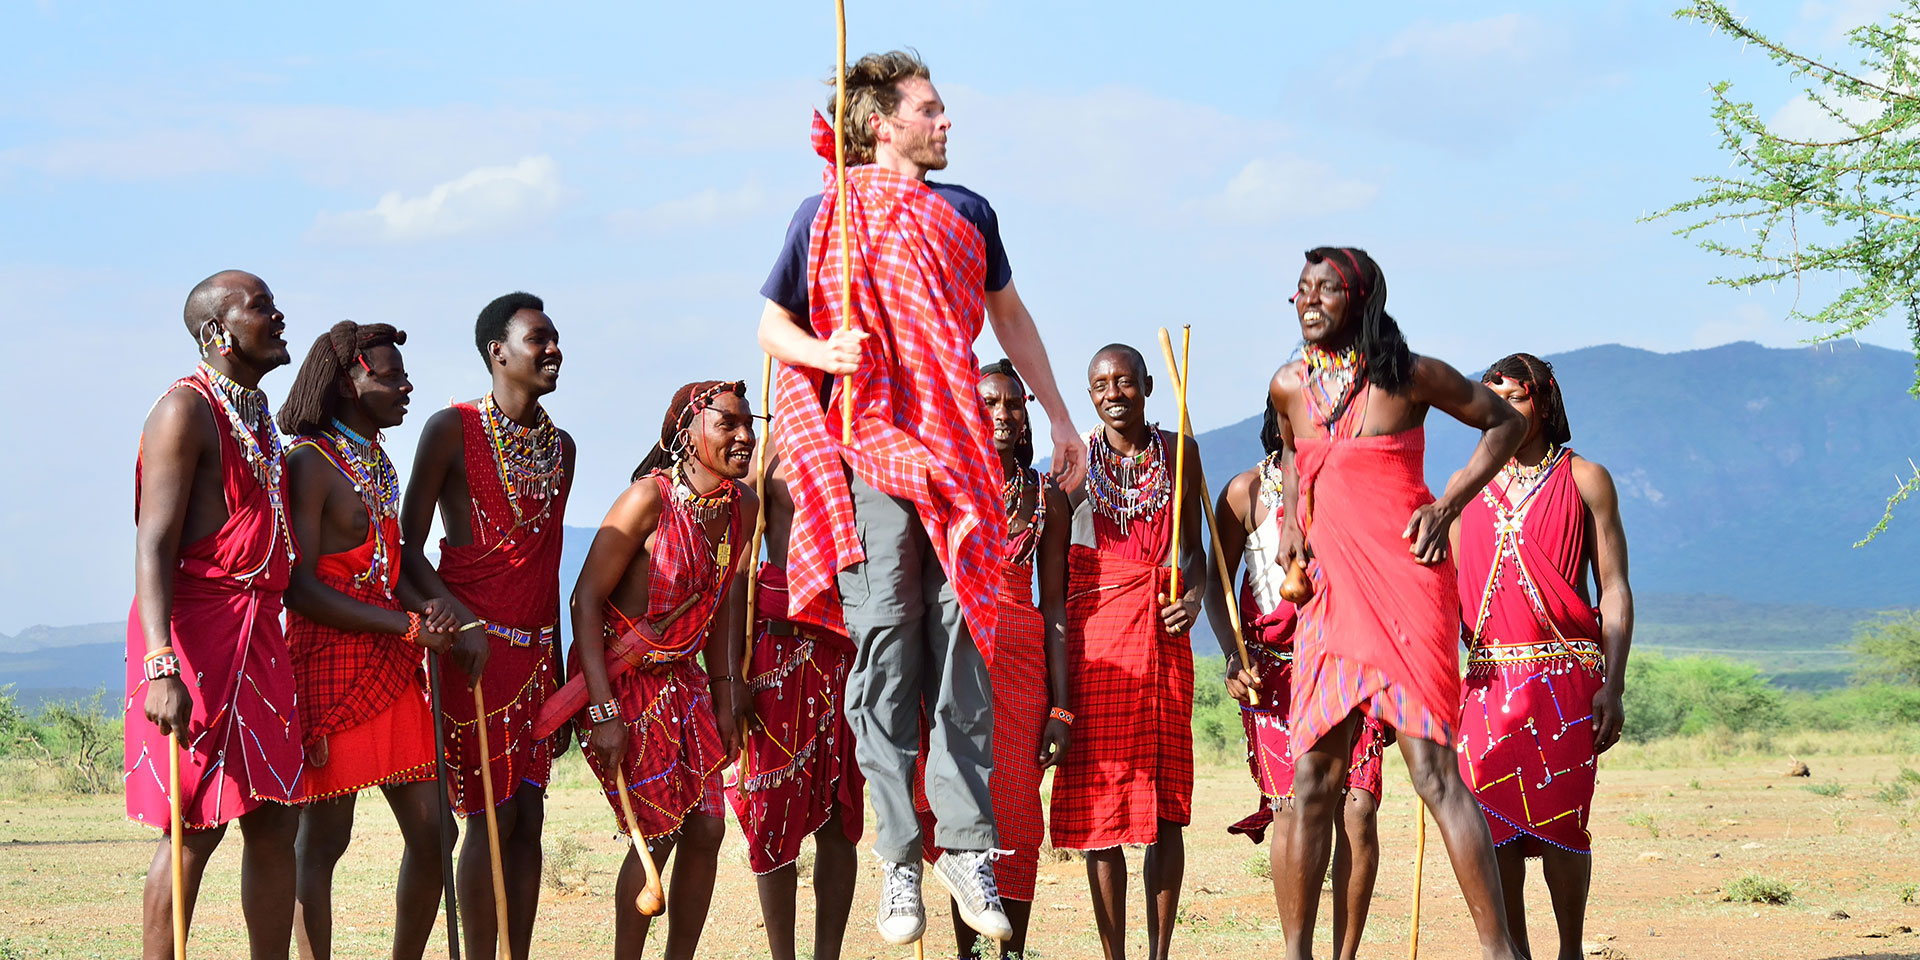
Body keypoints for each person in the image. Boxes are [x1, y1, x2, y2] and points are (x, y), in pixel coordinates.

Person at [754, 49, 1088, 946]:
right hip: (872, 449)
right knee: (888, 644)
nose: (946, 122)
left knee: (967, 641)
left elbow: (1009, 318)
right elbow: (772, 324)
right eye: (930, 109)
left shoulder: (967, 211)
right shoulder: (827, 212)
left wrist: (1060, 415)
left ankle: (966, 846)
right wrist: (826, 353)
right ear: (882, 124)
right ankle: (899, 855)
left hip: (959, 455)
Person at [1269, 247, 1528, 960]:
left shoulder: (1410, 375)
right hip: (1331, 595)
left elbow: (1504, 423)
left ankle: (1499, 951)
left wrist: (1448, 505)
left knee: (1433, 774)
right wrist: (1292, 520)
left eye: (1326, 289)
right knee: (1312, 780)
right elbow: (1292, 454)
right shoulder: (1289, 385)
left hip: (1407, 586)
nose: (1308, 300)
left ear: (1360, 300)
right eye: (1301, 289)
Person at [276, 321, 483, 960]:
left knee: (436, 833)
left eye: (404, 376)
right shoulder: (308, 463)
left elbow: (387, 573)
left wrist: (437, 613)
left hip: (392, 661)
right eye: (390, 376)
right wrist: (408, 625)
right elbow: (299, 589)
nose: (406, 387)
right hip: (329, 663)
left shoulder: (377, 463)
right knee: (324, 839)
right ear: (349, 382)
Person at [125, 270, 303, 960]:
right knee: (195, 825)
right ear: (216, 332)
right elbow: (153, 543)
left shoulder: (257, 419)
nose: (279, 316)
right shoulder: (184, 410)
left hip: (258, 635)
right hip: (193, 638)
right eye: (261, 307)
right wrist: (160, 664)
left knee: (276, 819)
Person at [400, 291, 572, 960]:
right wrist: (459, 620)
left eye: (555, 338)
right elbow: (406, 550)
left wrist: (561, 676)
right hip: (472, 655)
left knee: (529, 818)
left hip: (535, 659)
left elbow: (549, 566)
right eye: (538, 339)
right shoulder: (452, 428)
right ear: (498, 352)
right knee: (489, 817)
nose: (553, 350)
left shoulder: (562, 449)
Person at [1451, 353, 1633, 960]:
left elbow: (1614, 588)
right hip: (1485, 682)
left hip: (1566, 678)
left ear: (1544, 401)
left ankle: (1570, 951)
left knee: (1562, 827)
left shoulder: (1586, 478)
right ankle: (1515, 953)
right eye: (1491, 398)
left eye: (1515, 396)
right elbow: (1443, 595)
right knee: (1492, 831)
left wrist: (1614, 684)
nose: (1501, 408)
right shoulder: (1464, 488)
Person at [569, 380, 756, 960]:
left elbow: (720, 605)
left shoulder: (742, 506)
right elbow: (583, 601)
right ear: (688, 434)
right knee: (658, 833)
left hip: (684, 676)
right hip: (619, 676)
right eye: (727, 424)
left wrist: (725, 696)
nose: (745, 436)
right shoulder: (647, 500)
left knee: (708, 828)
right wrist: (603, 711)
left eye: (749, 423)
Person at [1205, 399, 1384, 960]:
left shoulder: (1358, 483)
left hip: (1350, 664)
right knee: (1290, 807)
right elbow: (1214, 582)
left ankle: (1345, 956)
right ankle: (1296, 953)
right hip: (1273, 672)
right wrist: (1232, 657)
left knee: (1357, 808)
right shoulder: (1246, 492)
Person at [1051, 343, 1206, 960]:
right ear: (1089, 395)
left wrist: (1193, 598)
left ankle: (1159, 954)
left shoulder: (1180, 452)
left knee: (1166, 805)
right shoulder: (1075, 464)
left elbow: (1193, 551)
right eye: (1100, 385)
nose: (1113, 394)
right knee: (1103, 805)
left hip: (1165, 637)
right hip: (1098, 644)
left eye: (1124, 381)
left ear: (1148, 385)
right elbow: (1055, 570)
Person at [914, 360, 1073, 959]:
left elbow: (1054, 608)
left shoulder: (1047, 498)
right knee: (962, 808)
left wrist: (1061, 707)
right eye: (989, 404)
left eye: (1012, 404)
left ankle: (1011, 953)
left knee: (1018, 817)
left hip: (1022, 670)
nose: (1002, 414)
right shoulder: (941, 486)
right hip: (954, 658)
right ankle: (968, 955)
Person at [726, 449, 863, 960]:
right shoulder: (770, 451)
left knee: (840, 817)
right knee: (771, 813)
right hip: (775, 650)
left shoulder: (867, 443)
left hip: (844, 647)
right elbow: (740, 568)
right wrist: (732, 674)